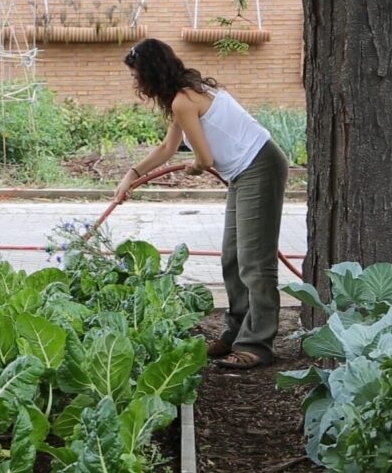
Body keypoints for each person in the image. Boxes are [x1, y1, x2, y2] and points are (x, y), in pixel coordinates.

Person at [116, 38, 288, 369]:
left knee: (255, 261)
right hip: (244, 171)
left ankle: (258, 344)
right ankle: (237, 331)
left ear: (151, 73)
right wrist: (132, 175)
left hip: (260, 165)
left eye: (137, 74)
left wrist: (195, 165)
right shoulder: (185, 94)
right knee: (232, 256)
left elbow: (204, 158)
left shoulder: (184, 100)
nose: (135, 82)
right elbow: (169, 148)